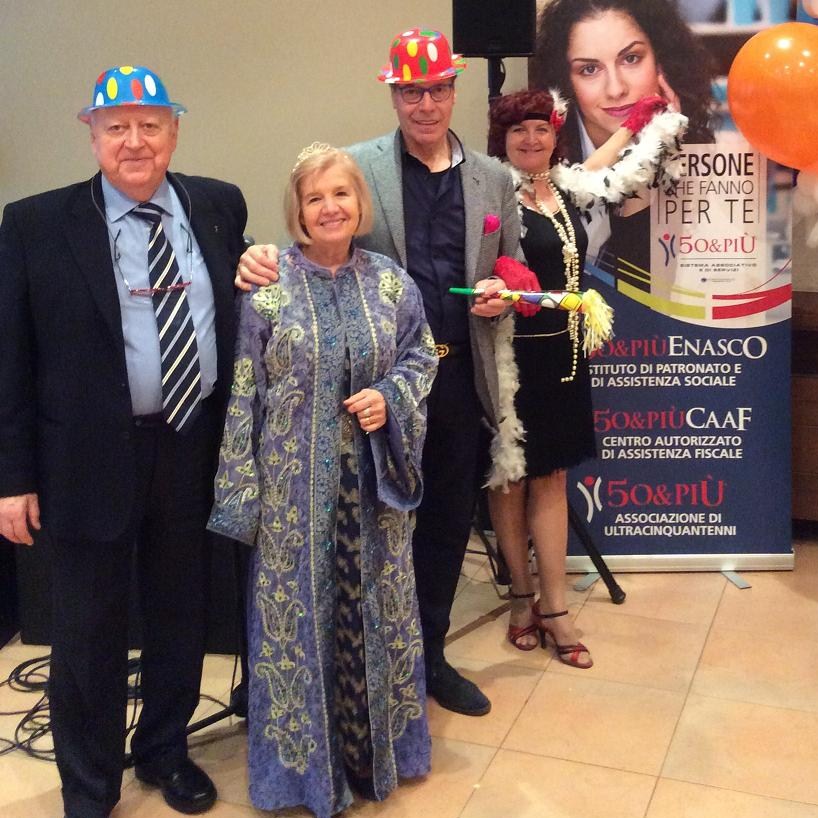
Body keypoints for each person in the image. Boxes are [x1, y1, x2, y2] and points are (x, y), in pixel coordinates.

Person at [236, 29, 520, 717]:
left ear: (454, 91)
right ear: (393, 95)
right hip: (372, 390)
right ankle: (361, 661)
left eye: (438, 89)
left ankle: (429, 658)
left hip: (457, 380)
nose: (426, 104)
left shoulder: (494, 178)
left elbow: (512, 263)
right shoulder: (360, 167)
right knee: (374, 527)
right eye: (411, 91)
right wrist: (257, 258)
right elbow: (318, 240)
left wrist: (506, 289)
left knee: (446, 524)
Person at [0, 66, 248, 818]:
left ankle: (164, 751)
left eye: (150, 125)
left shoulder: (216, 205)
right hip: (84, 459)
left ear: (174, 131)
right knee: (87, 632)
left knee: (180, 611)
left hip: (190, 443)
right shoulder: (35, 223)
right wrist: (11, 477)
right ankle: (89, 785)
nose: (134, 142)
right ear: (93, 135)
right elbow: (10, 358)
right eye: (117, 128)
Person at [207, 143, 436, 817]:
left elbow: (423, 355)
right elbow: (245, 392)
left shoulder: (392, 283)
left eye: (341, 193)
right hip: (292, 499)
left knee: (376, 617)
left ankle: (376, 757)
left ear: (359, 203)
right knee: (298, 629)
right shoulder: (268, 291)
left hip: (374, 493)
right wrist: (241, 496)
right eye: (315, 198)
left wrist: (389, 397)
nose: (330, 207)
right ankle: (303, 777)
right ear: (298, 211)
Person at [484, 88, 683, 662]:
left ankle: (554, 606)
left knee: (552, 478)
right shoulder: (493, 192)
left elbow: (601, 165)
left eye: (541, 128)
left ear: (555, 136)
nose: (531, 139)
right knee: (510, 479)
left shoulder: (565, 186)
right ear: (502, 139)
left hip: (565, 360)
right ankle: (521, 597)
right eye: (519, 130)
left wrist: (637, 122)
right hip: (512, 359)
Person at [531, 0, 715, 267]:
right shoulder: (539, 156)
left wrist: (661, 147)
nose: (616, 89)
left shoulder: (697, 152)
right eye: (589, 69)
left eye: (631, 59)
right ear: (565, 80)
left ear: (662, 61)